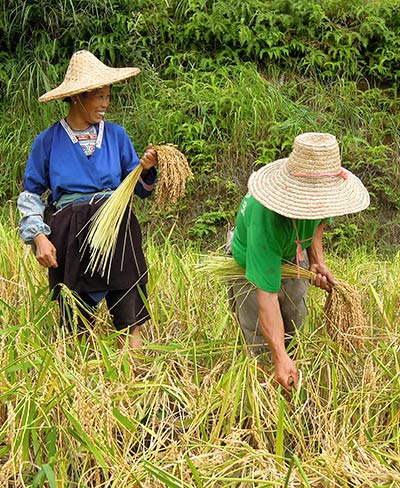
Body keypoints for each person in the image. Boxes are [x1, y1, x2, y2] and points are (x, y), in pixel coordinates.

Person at [17, 50, 158, 348]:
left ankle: (133, 374)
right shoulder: (48, 141)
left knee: (128, 307)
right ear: (78, 97)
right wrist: (38, 237)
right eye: (100, 96)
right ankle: (81, 377)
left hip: (116, 228)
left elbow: (138, 188)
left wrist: (145, 169)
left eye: (108, 96)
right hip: (70, 233)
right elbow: (31, 194)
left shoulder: (116, 136)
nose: (106, 103)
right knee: (76, 319)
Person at [229, 132, 370, 390]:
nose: (317, 205)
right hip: (252, 261)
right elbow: (267, 297)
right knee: (262, 342)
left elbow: (319, 224)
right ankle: (266, 392)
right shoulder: (267, 219)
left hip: (293, 256)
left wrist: (317, 260)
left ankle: (290, 372)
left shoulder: (322, 198)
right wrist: (279, 357)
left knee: (294, 321)